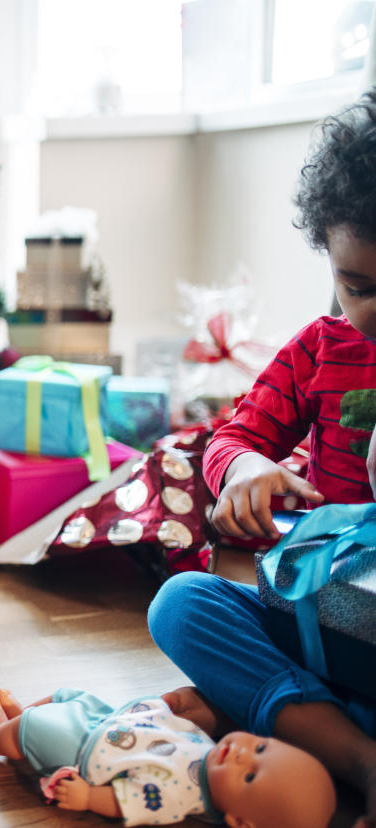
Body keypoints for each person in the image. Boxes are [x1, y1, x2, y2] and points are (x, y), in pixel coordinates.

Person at [150, 90, 376, 828]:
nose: (373, 310)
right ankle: (353, 754)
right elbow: (232, 437)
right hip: (312, 625)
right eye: (358, 286)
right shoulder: (321, 349)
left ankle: (277, 715)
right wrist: (245, 471)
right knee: (183, 604)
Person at [0, 686, 335, 827]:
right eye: (260, 747)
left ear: (239, 821)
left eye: (250, 775)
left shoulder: (179, 795)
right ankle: (20, 719)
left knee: (36, 731)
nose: (241, 753)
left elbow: (128, 801)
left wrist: (88, 797)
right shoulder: (213, 754)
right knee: (66, 697)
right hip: (109, 720)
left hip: (84, 750)